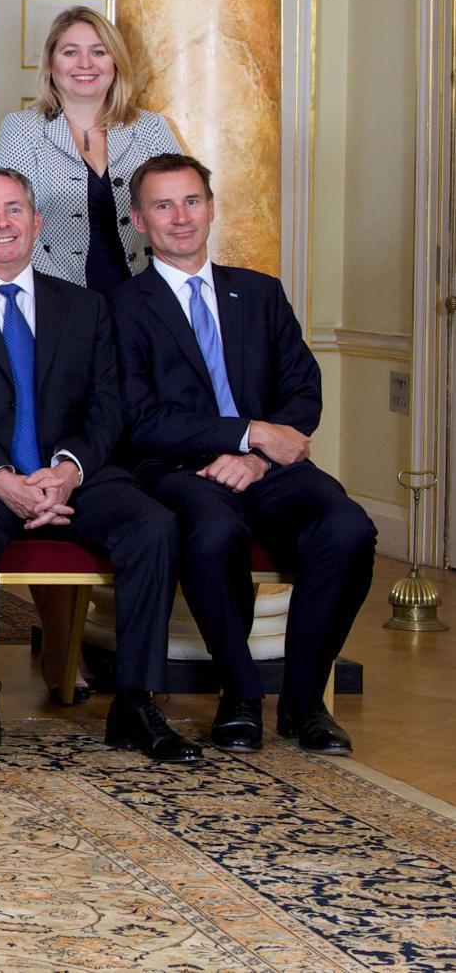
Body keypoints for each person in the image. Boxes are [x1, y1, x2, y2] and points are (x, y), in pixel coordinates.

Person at [0, 166, 199, 763]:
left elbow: (107, 405)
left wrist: (67, 469)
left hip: (71, 475)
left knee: (154, 525)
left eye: (15, 210)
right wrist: (1, 476)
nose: (3, 223)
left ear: (38, 223)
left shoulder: (85, 307)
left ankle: (135, 703)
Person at [113, 153, 375, 755]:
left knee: (347, 528)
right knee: (212, 534)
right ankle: (240, 694)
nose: (180, 218)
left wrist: (256, 454)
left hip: (269, 468)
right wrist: (246, 433)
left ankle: (304, 703)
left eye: (192, 202)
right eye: (163, 205)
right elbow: (139, 419)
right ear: (138, 222)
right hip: (182, 470)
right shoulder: (121, 307)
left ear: (210, 209)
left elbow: (301, 390)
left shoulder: (258, 293)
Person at [0, 5, 182, 293]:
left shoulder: (151, 128)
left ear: (115, 61)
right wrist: (65, 298)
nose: (85, 64)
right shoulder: (21, 129)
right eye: (70, 52)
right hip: (56, 302)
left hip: (146, 298)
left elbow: (180, 215)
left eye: (99, 51)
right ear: (51, 63)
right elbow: (10, 224)